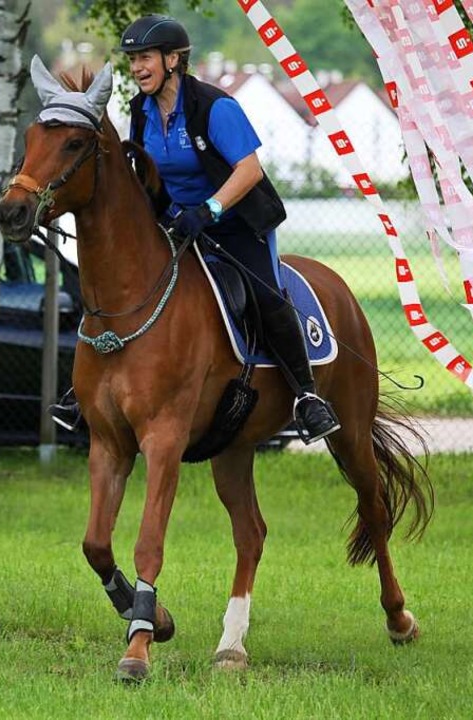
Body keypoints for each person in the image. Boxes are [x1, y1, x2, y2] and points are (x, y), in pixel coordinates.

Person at [50, 14, 339, 444]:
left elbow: (250, 170)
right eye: (132, 61)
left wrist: (209, 209)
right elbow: (145, 174)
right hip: (177, 223)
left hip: (236, 222)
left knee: (262, 293)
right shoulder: (141, 111)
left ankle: (307, 397)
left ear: (173, 60)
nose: (137, 69)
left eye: (145, 58)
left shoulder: (216, 107)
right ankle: (87, 391)